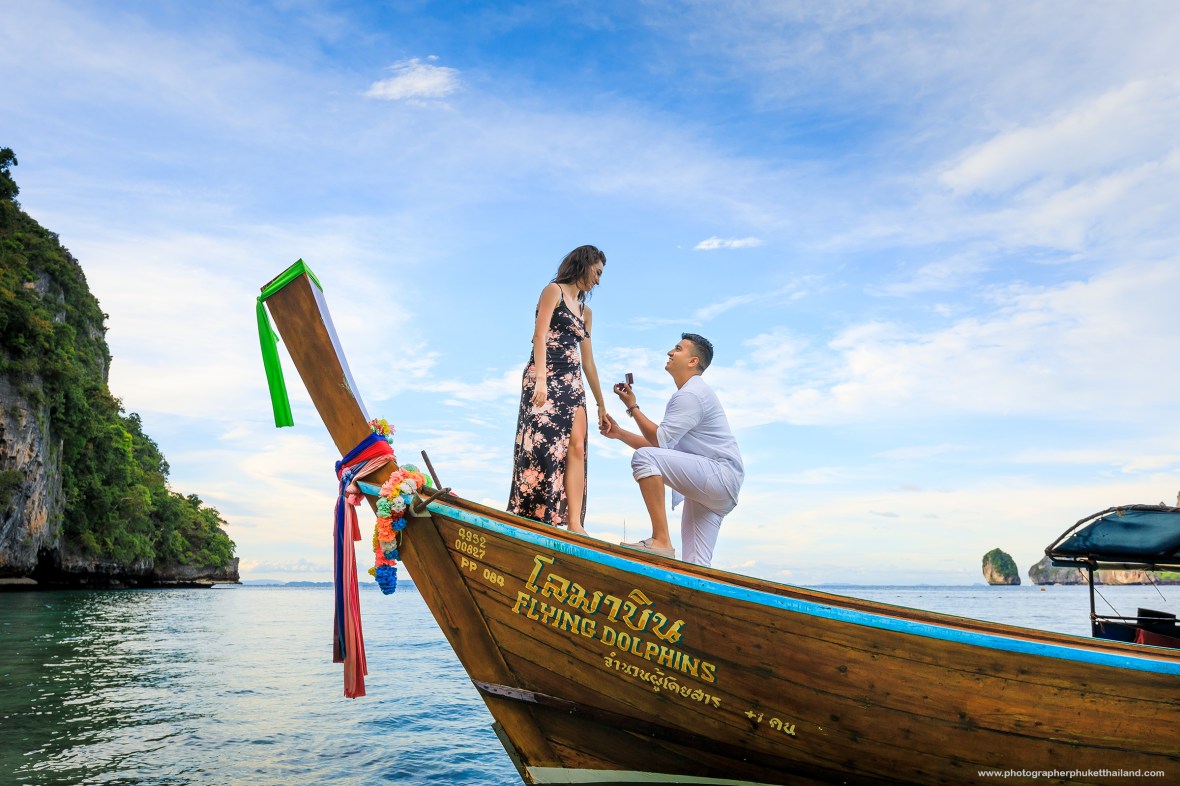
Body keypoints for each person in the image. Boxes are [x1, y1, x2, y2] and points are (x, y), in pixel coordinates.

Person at [599, 333, 743, 567]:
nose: (669, 352)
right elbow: (663, 447)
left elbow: (659, 441)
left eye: (677, 348)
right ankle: (695, 601)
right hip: (718, 486)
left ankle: (661, 540)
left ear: (692, 361)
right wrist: (620, 434)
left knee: (643, 458)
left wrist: (632, 407)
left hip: (718, 475)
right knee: (695, 565)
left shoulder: (691, 395)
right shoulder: (692, 394)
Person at [508, 245, 608, 534]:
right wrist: (541, 379)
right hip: (544, 374)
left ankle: (575, 524)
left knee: (577, 446)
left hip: (572, 381)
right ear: (586, 263)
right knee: (541, 448)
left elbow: (588, 360)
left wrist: (601, 403)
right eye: (597, 272)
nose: (599, 280)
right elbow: (539, 336)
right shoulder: (553, 290)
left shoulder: (586, 312)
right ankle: (534, 517)